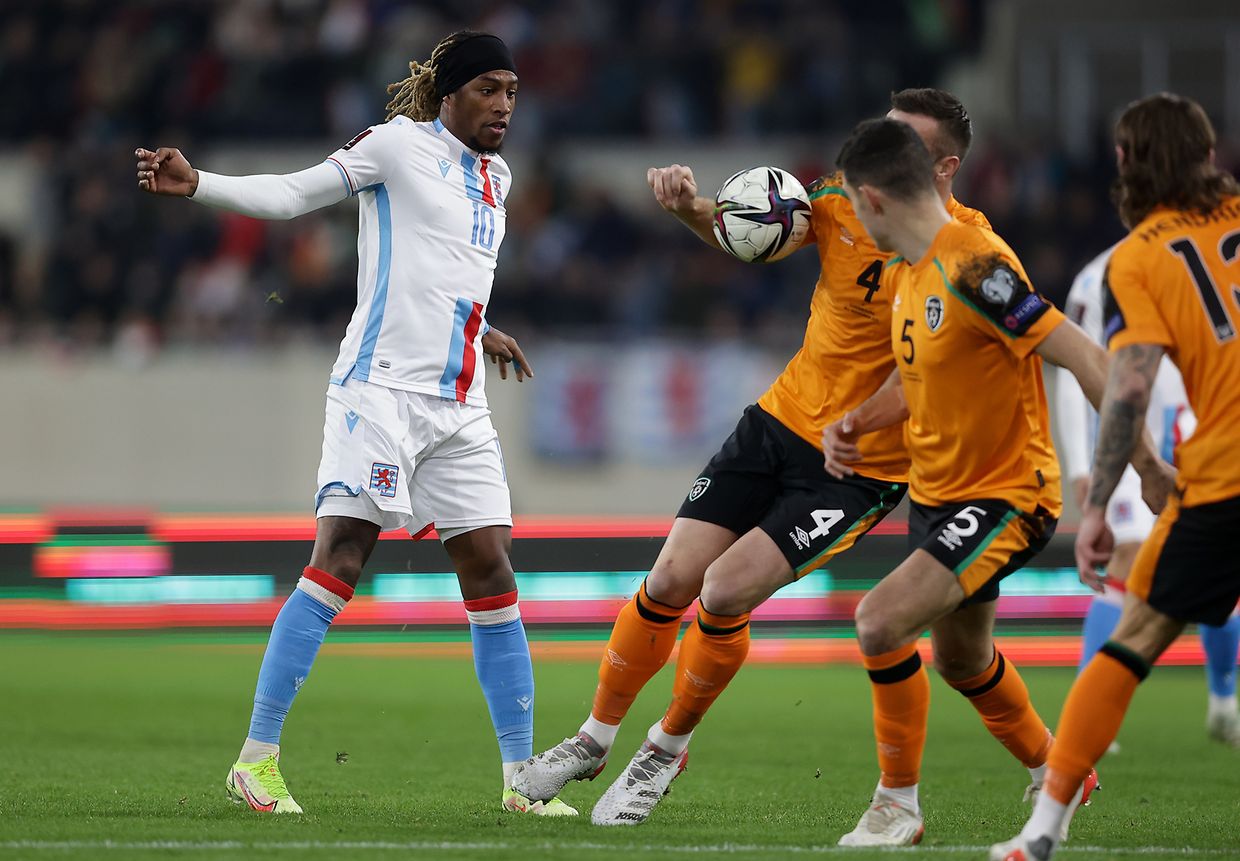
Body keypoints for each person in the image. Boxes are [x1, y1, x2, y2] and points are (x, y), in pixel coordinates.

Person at [515, 89, 1059, 832]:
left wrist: (864, 419)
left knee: (726, 589)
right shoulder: (840, 200)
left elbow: (937, 361)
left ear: (945, 165)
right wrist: (686, 207)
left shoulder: (968, 247)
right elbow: (752, 229)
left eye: (902, 139)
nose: (880, 144)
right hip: (776, 422)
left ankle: (664, 748)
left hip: (860, 467)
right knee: (671, 576)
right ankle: (593, 737)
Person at [135, 30, 576, 817]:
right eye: (488, 89)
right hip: (379, 393)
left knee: (492, 570)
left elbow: (448, 269)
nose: (504, 104)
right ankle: (256, 759)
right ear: (451, 94)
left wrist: (482, 326)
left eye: (511, 90)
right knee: (341, 554)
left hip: (458, 402)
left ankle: (521, 782)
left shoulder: (499, 177)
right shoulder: (397, 146)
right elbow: (296, 194)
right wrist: (200, 182)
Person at [821, 117, 1173, 846]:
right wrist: (857, 419)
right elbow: (922, 377)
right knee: (961, 657)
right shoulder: (913, 272)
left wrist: (1143, 467)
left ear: (873, 198)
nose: (854, 220)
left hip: (1007, 494)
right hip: (939, 493)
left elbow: (1084, 356)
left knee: (879, 620)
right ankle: (1059, 768)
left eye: (854, 206)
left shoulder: (976, 264)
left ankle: (896, 804)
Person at [992, 93, 1240, 861]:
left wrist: (1095, 502)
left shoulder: (1133, 261)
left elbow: (1125, 388)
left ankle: (1043, 832)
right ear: (1207, 155)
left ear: (1128, 163)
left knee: (1133, 634)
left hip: (1225, 477)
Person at [1057, 247, 1240, 748]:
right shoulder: (1100, 275)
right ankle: (1091, 712)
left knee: (1217, 563)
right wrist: (1079, 464)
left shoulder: (1211, 250)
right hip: (1130, 438)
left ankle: (1224, 702)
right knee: (1126, 557)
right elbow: (1076, 370)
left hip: (1202, 431)